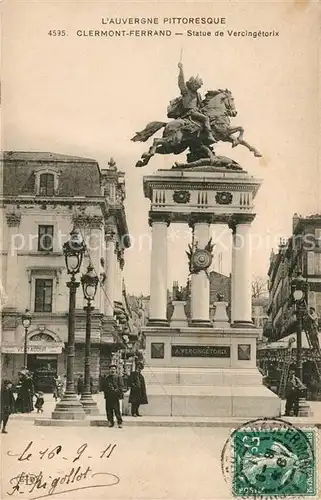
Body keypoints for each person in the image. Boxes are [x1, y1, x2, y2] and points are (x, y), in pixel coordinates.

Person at [175, 62, 215, 143]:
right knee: (206, 118)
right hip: (189, 113)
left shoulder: (198, 94)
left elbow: (201, 105)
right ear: (192, 84)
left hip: (196, 111)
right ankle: (209, 135)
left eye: (199, 86)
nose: (197, 87)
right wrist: (181, 69)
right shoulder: (186, 92)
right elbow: (181, 82)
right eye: (196, 85)